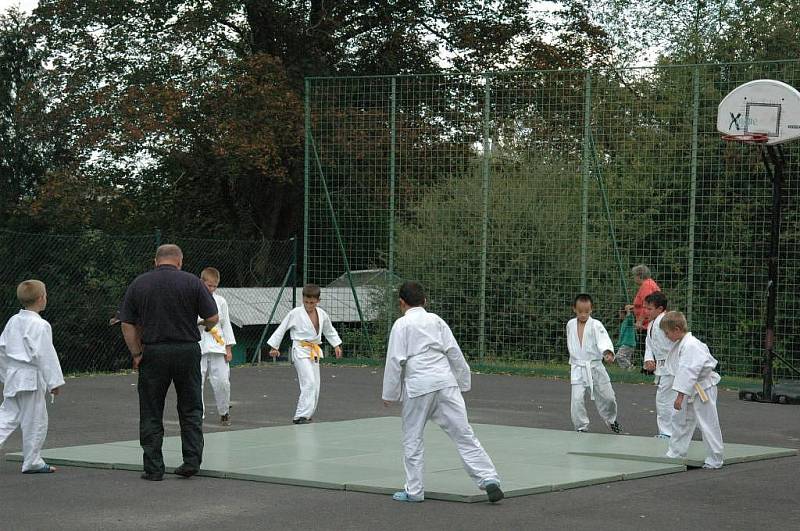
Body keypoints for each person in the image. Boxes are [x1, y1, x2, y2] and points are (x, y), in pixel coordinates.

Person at [382, 281, 503, 504]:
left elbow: (394, 360)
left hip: (419, 386)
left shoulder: (401, 325)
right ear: (425, 301)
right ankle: (489, 478)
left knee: (412, 438)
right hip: (446, 383)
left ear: (401, 303)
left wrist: (390, 393)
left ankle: (414, 491)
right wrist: (463, 381)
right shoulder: (436, 321)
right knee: (464, 434)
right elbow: (454, 351)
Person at [118, 244, 218, 481]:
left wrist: (136, 352)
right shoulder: (193, 282)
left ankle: (154, 468)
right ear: (180, 261)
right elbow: (212, 317)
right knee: (191, 408)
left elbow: (126, 323)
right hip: (187, 350)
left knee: (151, 409)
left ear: (155, 261)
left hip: (154, 351)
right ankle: (191, 461)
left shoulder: (139, 283)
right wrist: (203, 327)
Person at [0, 280, 65, 474]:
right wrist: (54, 382)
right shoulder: (40, 325)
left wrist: (6, 374)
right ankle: (32, 461)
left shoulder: (14, 321)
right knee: (35, 419)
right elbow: (45, 354)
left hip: (14, 376)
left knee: (7, 415)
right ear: (41, 298)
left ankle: (33, 460)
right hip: (31, 378)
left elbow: (2, 349)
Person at [268, 283, 342, 424]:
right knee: (309, 382)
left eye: (312, 303)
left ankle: (307, 414)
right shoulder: (295, 313)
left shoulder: (322, 314)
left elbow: (329, 330)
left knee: (316, 384)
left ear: (318, 301)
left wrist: (336, 345)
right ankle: (299, 416)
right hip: (300, 350)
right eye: (306, 302)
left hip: (313, 351)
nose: (309, 305)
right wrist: (274, 347)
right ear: (303, 299)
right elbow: (282, 328)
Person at [660, 311, 724, 469]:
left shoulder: (691, 345)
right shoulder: (682, 343)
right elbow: (683, 371)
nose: (666, 336)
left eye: (667, 333)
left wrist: (680, 396)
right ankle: (676, 452)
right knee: (680, 419)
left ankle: (715, 458)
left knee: (708, 423)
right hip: (691, 388)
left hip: (703, 389)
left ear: (676, 329)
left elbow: (688, 372)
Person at [567, 294, 622, 434]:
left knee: (608, 398)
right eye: (580, 311)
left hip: (595, 367)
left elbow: (603, 340)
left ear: (591, 310)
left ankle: (611, 420)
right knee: (577, 399)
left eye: (587, 311)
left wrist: (607, 352)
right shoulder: (570, 324)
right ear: (574, 309)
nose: (583, 314)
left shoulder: (596, 325)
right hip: (578, 368)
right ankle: (581, 427)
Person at [198, 267, 236, 427]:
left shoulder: (221, 301)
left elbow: (226, 324)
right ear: (201, 282)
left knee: (222, 381)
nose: (212, 289)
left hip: (218, 345)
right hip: (198, 344)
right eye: (209, 286)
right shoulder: (193, 298)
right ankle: (197, 415)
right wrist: (202, 322)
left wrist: (228, 348)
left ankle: (224, 411)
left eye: (214, 286)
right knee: (196, 382)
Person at [642, 291, 676, 438]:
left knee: (664, 400)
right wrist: (649, 359)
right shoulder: (652, 324)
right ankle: (672, 432)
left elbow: (677, 342)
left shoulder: (667, 322)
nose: (646, 311)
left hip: (673, 366)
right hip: (663, 367)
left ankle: (667, 433)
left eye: (649, 309)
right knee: (668, 400)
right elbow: (649, 345)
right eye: (645, 308)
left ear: (660, 309)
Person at [626, 264, 661, 332]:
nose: (634, 278)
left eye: (634, 276)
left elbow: (647, 305)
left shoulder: (646, 286)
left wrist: (639, 321)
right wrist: (634, 307)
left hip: (647, 325)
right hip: (650, 322)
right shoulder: (649, 283)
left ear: (639, 276)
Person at [615, 306, 636, 370]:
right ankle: (626, 371)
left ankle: (631, 366)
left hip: (628, 343)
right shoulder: (624, 322)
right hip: (627, 343)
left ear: (623, 313)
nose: (619, 315)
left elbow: (630, 318)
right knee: (626, 358)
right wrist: (619, 343)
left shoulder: (628, 320)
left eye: (620, 313)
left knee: (619, 356)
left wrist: (628, 311)